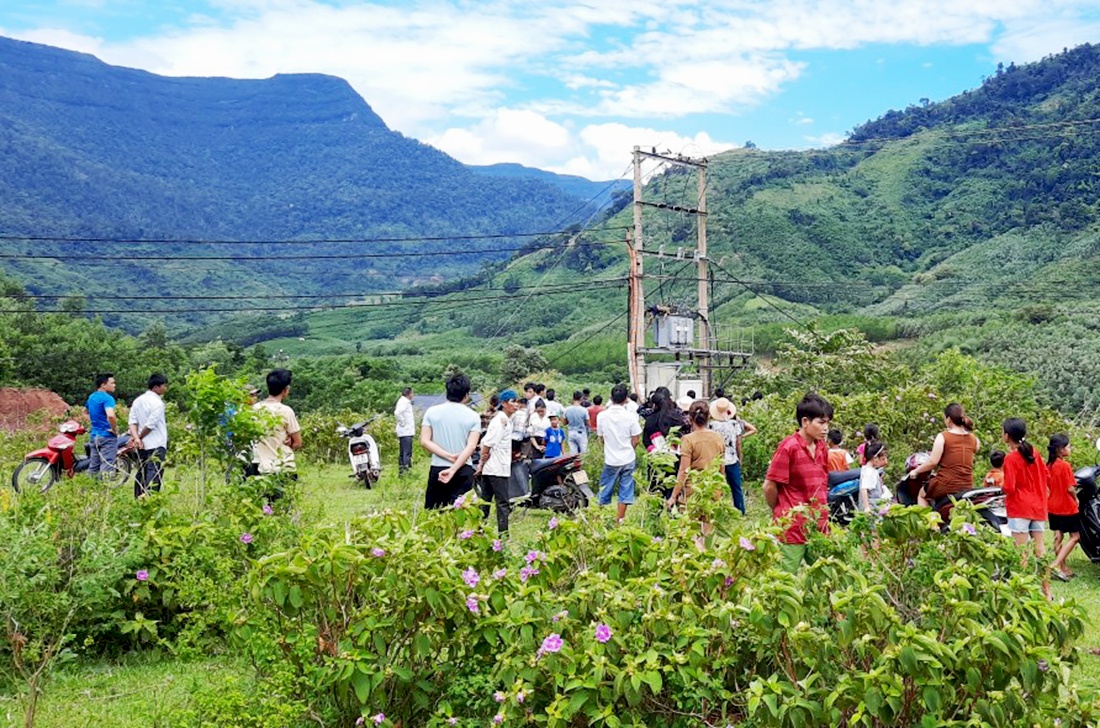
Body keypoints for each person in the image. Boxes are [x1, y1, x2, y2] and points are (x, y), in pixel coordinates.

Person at [763, 392, 833, 573]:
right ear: (805, 422)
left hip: (819, 525)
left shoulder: (821, 447)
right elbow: (769, 486)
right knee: (784, 581)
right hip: (792, 528)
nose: (826, 428)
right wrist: (780, 510)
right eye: (821, 422)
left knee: (826, 578)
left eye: (828, 423)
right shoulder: (789, 447)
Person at [1001, 418, 1051, 596]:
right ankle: (1047, 592)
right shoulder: (1034, 452)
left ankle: (1021, 592)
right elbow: (1046, 474)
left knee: (1021, 552)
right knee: (1040, 550)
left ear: (1007, 436)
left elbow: (1009, 487)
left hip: (1020, 508)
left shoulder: (1011, 458)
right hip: (1038, 506)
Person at [420, 372, 481, 509]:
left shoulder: (431, 412)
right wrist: (453, 468)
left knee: (436, 514)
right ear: (466, 394)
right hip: (464, 469)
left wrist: (447, 456)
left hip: (438, 468)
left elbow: (425, 441)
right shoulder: (473, 416)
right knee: (462, 515)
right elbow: (471, 446)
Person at [908, 403, 979, 506]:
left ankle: (930, 521)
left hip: (946, 484)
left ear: (948, 419)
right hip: (967, 484)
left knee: (922, 495)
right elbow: (975, 449)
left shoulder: (943, 436)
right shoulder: (973, 439)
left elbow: (932, 462)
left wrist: (915, 471)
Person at [476, 390, 520, 533]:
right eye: (512, 401)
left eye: (517, 401)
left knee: (485, 501)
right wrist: (482, 462)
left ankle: (480, 531)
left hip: (494, 467)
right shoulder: (501, 421)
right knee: (502, 503)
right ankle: (503, 535)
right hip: (496, 468)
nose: (516, 405)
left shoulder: (506, 420)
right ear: (504, 403)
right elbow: (487, 444)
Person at [596, 384, 642, 522]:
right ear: (625, 399)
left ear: (611, 398)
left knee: (604, 488)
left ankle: (598, 518)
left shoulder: (602, 416)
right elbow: (636, 439)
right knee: (626, 490)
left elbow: (601, 438)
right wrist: (629, 448)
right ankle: (619, 520)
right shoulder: (630, 416)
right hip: (627, 458)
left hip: (611, 459)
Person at [668, 400, 725, 509]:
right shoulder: (718, 437)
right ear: (708, 417)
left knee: (690, 524)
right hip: (712, 488)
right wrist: (721, 487)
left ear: (690, 419)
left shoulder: (688, 440)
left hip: (692, 491)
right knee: (708, 522)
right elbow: (721, 466)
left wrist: (673, 496)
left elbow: (683, 471)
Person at [253, 368, 303, 478]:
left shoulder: (255, 409)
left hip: (260, 466)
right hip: (283, 466)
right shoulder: (286, 411)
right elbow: (298, 442)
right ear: (285, 390)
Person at [709, 397, 755, 514]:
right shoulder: (735, 424)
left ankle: (717, 511)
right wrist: (740, 458)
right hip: (732, 459)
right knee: (736, 488)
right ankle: (740, 511)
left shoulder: (712, 426)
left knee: (717, 487)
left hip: (718, 460)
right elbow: (738, 443)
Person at [128, 373, 169, 497]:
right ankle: (149, 499)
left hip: (141, 445)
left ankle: (138, 497)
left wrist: (136, 438)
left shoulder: (138, 401)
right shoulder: (157, 403)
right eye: (164, 386)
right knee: (154, 471)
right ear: (156, 387)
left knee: (142, 470)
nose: (165, 388)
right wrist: (139, 438)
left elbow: (132, 422)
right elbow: (151, 425)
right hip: (156, 443)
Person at [1047, 434, 1080, 581]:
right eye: (1068, 446)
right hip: (1066, 506)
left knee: (1058, 536)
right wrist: (1076, 499)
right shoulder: (1065, 466)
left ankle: (1063, 568)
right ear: (1060, 450)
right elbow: (1070, 488)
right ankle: (1055, 564)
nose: (1070, 448)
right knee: (1075, 537)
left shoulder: (1049, 466)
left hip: (1052, 505)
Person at [86, 372, 119, 478]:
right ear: (103, 385)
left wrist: (94, 423)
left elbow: (85, 411)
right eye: (112, 383)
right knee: (107, 466)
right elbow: (111, 415)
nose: (114, 385)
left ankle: (88, 490)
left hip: (94, 435)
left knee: (93, 467)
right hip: (107, 436)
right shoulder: (107, 398)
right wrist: (114, 429)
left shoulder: (92, 397)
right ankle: (104, 492)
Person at [859, 441, 890, 514]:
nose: (885, 462)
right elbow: (864, 489)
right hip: (872, 508)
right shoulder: (869, 472)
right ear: (875, 458)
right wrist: (867, 508)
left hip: (876, 506)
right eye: (882, 459)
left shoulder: (872, 470)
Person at [394, 387, 415, 474]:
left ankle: (402, 470)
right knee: (407, 452)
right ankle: (405, 470)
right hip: (405, 431)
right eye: (412, 393)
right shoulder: (404, 402)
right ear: (409, 394)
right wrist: (402, 422)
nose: (413, 395)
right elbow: (397, 413)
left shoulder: (403, 401)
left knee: (403, 452)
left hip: (405, 431)